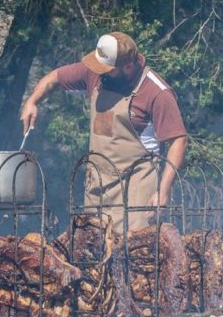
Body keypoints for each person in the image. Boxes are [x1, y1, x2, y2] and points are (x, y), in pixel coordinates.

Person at [20, 32, 188, 233]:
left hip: (135, 191)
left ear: (128, 66)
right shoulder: (96, 73)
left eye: (107, 70)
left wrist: (164, 190)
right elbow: (53, 78)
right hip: (97, 186)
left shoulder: (156, 92)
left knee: (134, 255)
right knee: (93, 251)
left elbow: (178, 140)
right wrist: (32, 101)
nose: (101, 73)